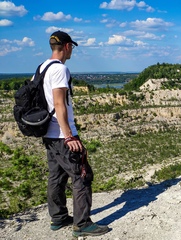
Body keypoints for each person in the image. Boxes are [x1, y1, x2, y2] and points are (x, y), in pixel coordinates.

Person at [41, 30, 109, 237]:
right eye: (72, 48)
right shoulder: (60, 70)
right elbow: (60, 103)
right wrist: (69, 135)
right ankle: (82, 224)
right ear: (68, 46)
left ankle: (58, 217)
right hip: (62, 135)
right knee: (82, 175)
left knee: (56, 175)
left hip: (49, 134)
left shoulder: (41, 68)